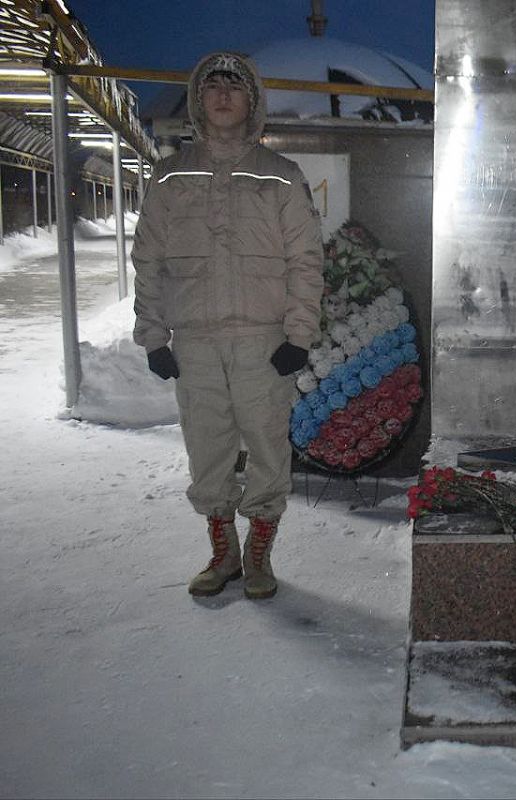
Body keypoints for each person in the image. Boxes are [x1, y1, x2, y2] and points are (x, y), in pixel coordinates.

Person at [132, 52, 324, 599]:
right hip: (195, 344)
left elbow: (306, 262)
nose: (222, 94)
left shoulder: (281, 177)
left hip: (262, 344)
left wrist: (298, 336)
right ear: (198, 99)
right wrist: (153, 336)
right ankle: (223, 552)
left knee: (267, 446)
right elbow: (149, 260)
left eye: (234, 86)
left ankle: (259, 550)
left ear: (252, 102)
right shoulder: (171, 177)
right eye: (212, 85)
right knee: (207, 450)